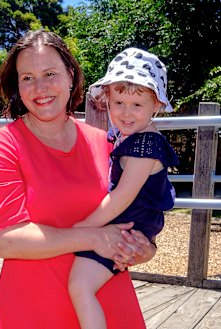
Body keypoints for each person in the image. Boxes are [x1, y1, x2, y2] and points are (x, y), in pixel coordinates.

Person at [0, 30, 157, 329]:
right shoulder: (3, 144)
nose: (40, 87)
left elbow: (140, 211)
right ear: (17, 87)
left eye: (50, 73)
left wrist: (145, 247)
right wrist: (93, 236)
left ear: (71, 76)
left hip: (109, 304)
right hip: (33, 310)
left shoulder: (107, 143)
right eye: (27, 78)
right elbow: (6, 240)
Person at [68, 47, 180, 329]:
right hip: (130, 218)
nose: (126, 113)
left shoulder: (145, 144)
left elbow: (122, 197)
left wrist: (82, 228)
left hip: (130, 220)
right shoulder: (127, 134)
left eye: (137, 105)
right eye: (119, 102)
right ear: (107, 100)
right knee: (81, 284)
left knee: (80, 286)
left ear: (156, 105)